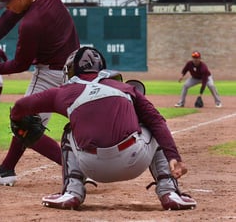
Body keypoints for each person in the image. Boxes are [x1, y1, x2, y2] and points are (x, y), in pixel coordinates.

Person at [10, 46, 197, 211]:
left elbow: (19, 107)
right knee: (152, 125)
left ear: (72, 70)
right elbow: (157, 121)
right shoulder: (125, 88)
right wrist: (174, 157)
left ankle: (71, 191)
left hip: (92, 166)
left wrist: (16, 119)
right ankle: (169, 192)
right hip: (134, 161)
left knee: (69, 131)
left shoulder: (61, 93)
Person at [0, 0, 80, 186]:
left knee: (24, 123)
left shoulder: (32, 24)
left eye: (8, 3)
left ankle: (74, 168)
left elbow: (20, 64)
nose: (7, 8)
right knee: (30, 124)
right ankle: (7, 169)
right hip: (73, 71)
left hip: (49, 74)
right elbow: (7, 20)